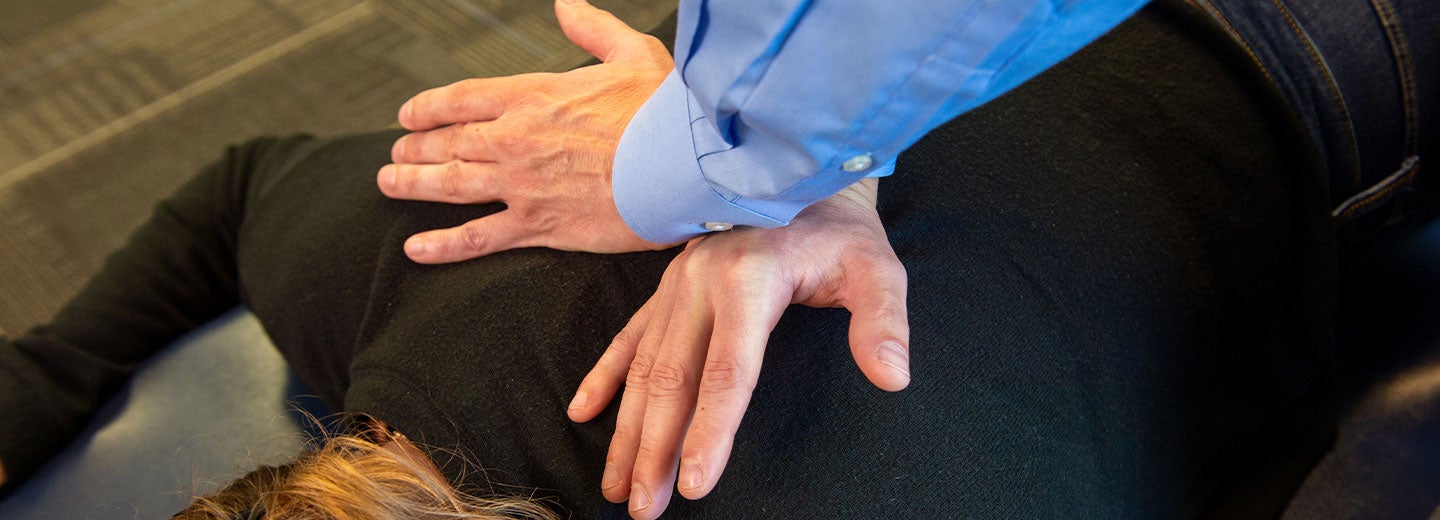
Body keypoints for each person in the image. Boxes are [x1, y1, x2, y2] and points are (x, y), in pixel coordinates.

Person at [0, 1, 1433, 519]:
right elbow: (240, 181)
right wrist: (43, 376)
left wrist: (764, 155)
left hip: (1330, 68)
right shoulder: (405, 262)